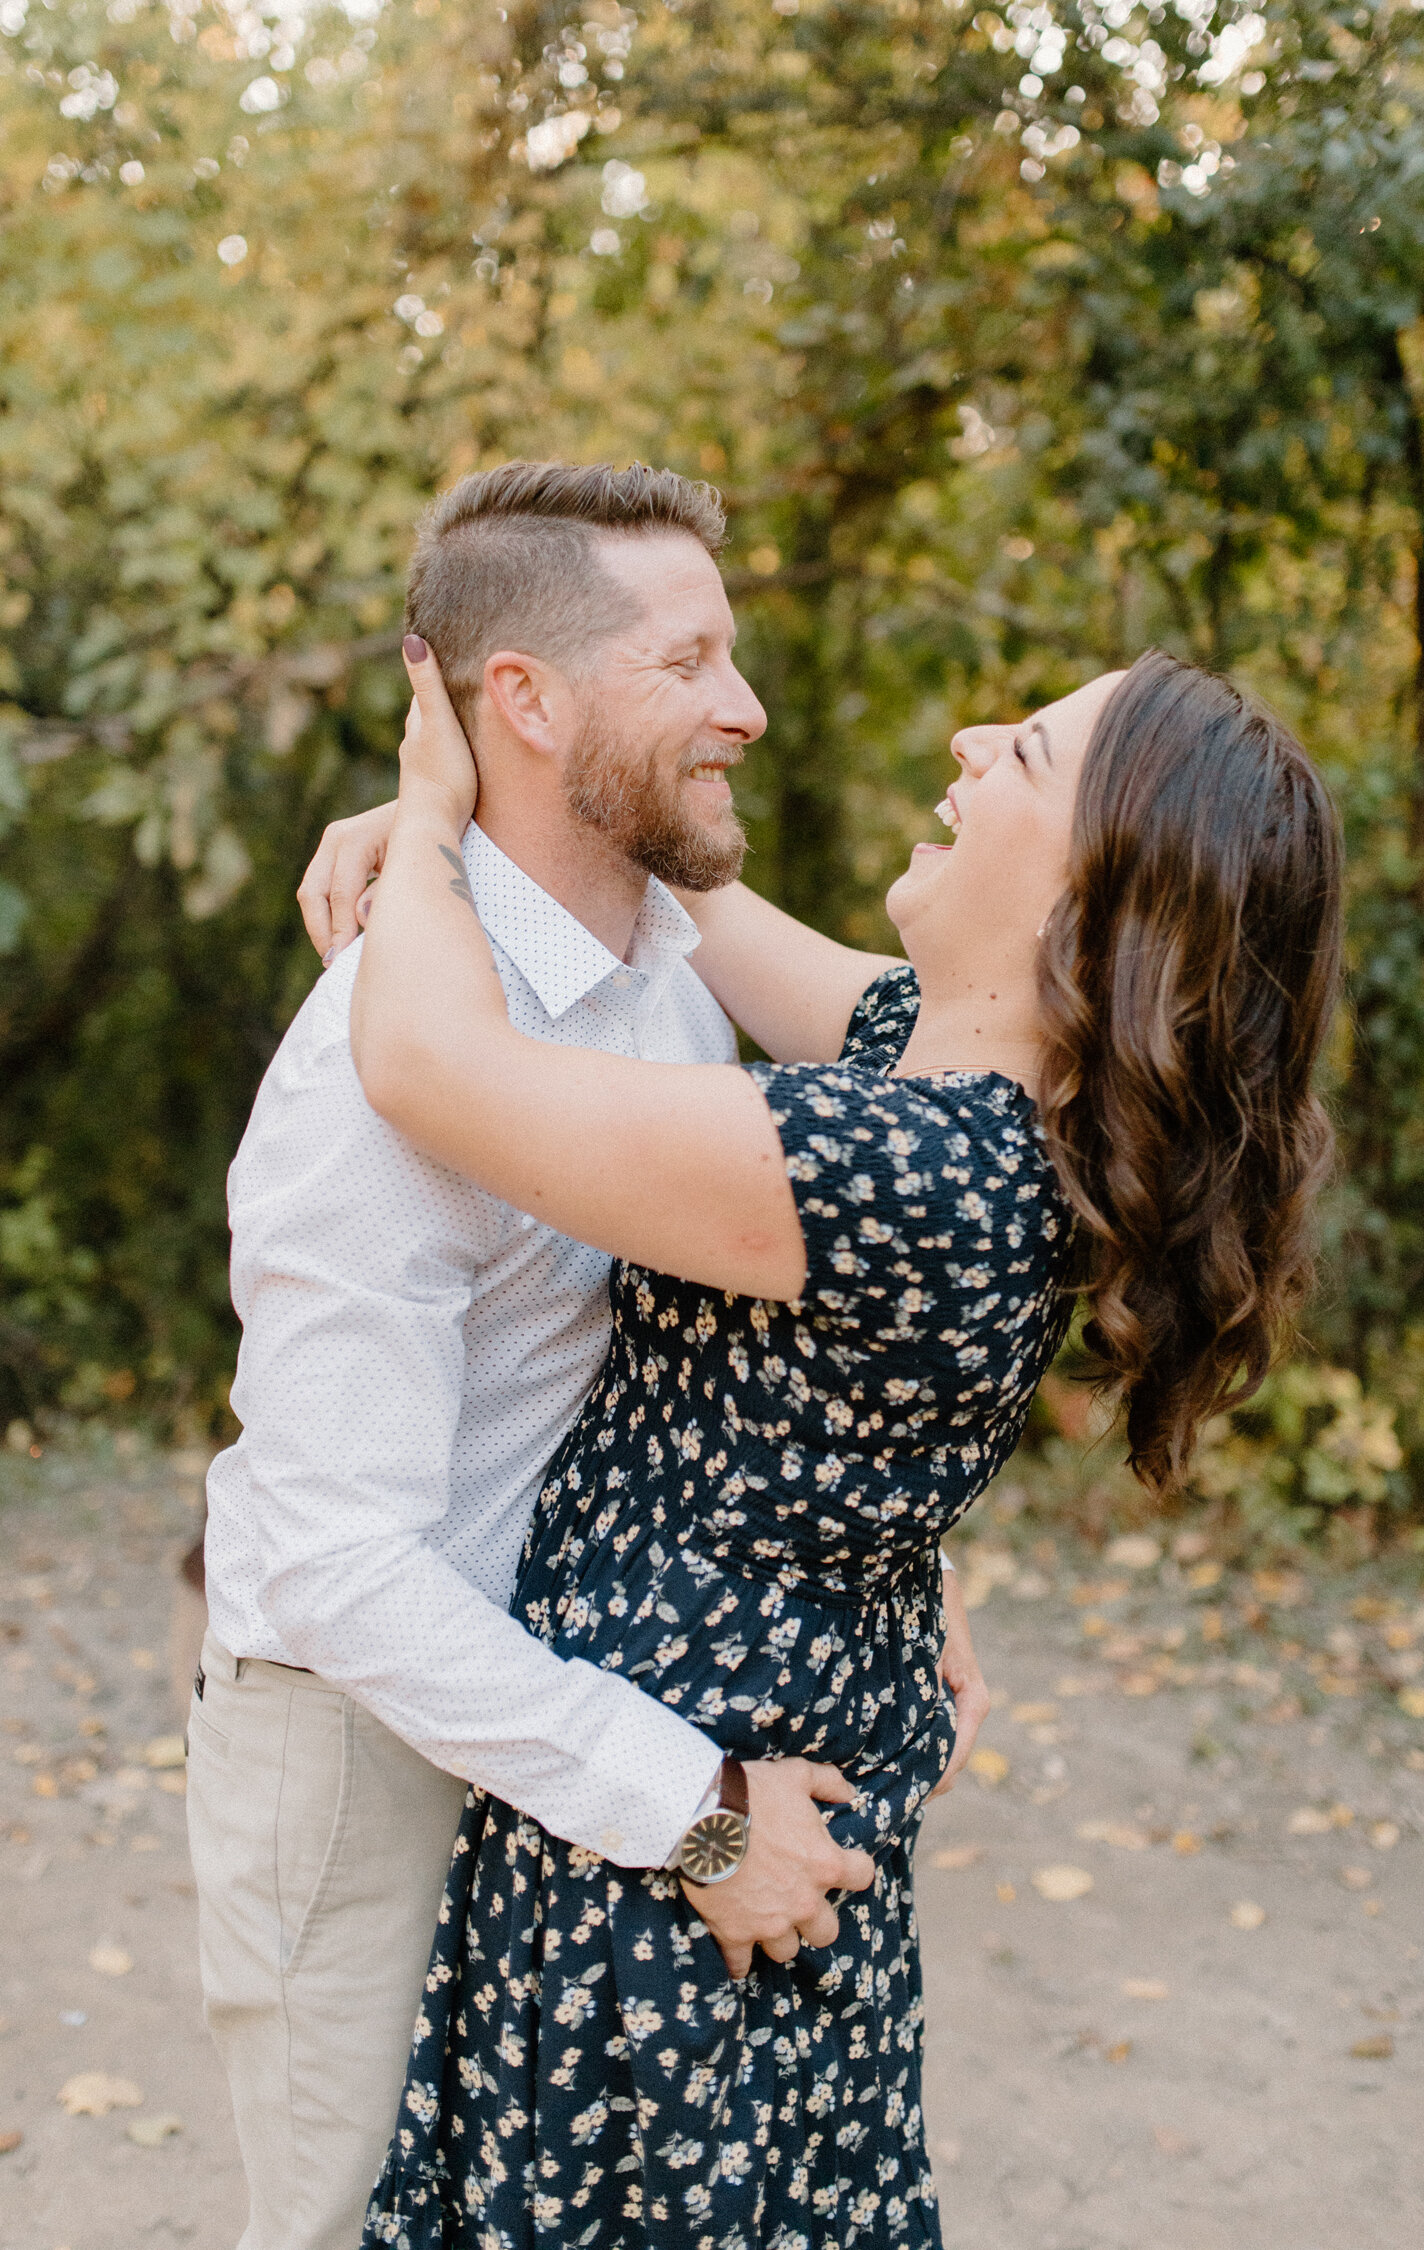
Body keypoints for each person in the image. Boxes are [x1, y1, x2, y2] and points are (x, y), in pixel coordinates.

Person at [327, 631, 1343, 2247]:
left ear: (1094, 902)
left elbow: (428, 1066)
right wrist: (521, 813)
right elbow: (698, 902)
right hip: (735, 1833)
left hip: (667, 1882)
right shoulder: (962, 1084)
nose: (963, 732)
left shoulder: (906, 1172)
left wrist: (432, 798)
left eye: (1022, 753)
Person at [188, 460, 990, 2250]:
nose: (746, 707)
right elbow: (338, 1567)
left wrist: (901, 1568)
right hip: (374, 1741)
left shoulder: (680, 964)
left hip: (563, 1719)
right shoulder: (371, 1076)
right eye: (687, 659)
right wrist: (695, 1813)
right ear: (523, 704)